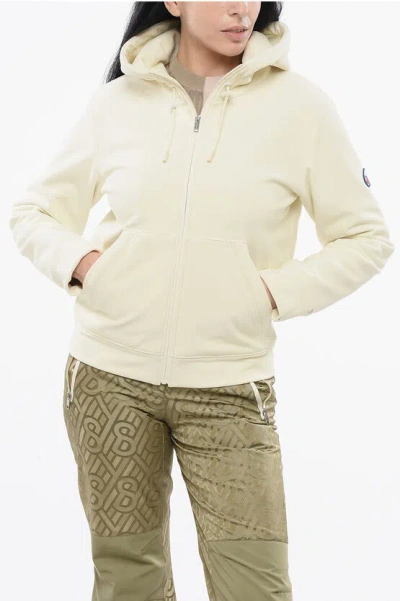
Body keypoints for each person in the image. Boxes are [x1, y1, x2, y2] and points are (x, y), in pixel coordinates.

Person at [8, 2, 395, 600]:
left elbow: (367, 237)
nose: (241, 9)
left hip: (229, 386)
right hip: (109, 378)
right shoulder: (118, 103)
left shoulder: (302, 108)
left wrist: (269, 292)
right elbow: (35, 211)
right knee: (127, 580)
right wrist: (87, 268)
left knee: (254, 588)